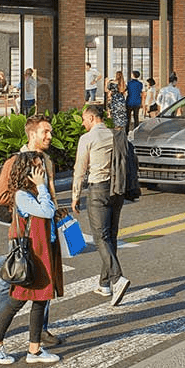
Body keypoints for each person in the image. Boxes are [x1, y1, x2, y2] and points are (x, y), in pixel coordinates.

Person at [0, 118, 65, 364]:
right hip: (26, 237)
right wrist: (31, 204)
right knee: (16, 279)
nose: (50, 135)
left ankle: (36, 342)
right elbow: (5, 195)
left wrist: (52, 206)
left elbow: (49, 195)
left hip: (43, 233)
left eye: (51, 131)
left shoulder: (45, 160)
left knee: (39, 291)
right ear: (32, 134)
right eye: (45, 131)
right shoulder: (17, 163)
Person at [73, 104, 132, 306]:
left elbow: (80, 169)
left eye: (83, 119)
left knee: (100, 237)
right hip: (117, 189)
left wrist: (75, 195)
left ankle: (117, 278)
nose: (82, 123)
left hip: (98, 189)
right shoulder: (114, 135)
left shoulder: (88, 138)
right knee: (110, 236)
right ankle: (104, 284)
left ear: (91, 118)